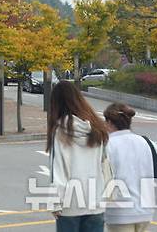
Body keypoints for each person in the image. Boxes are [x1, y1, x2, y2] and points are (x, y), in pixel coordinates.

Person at [47, 80, 109, 232]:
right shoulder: (97, 129)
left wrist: (55, 202)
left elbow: (59, 170)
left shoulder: (60, 130)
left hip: (70, 205)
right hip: (95, 202)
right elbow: (105, 166)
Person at [104, 103, 157, 232]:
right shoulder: (146, 142)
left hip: (119, 212)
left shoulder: (108, 145)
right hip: (145, 210)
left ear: (108, 122)